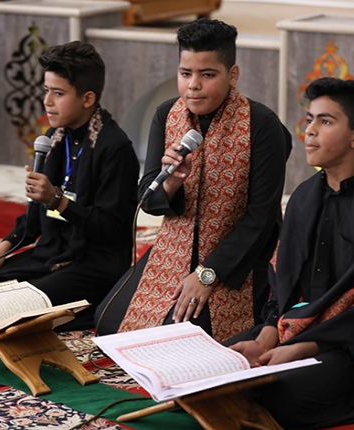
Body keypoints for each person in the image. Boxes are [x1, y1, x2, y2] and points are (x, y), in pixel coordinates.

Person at [227, 77, 354, 429]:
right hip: (296, 326)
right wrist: (267, 336)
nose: (310, 131)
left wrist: (302, 347)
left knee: (282, 397)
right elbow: (284, 284)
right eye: (310, 119)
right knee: (220, 365)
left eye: (325, 121)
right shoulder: (304, 197)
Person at [95, 18, 292, 343]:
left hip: (237, 257)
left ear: (233, 75)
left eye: (207, 75)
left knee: (185, 338)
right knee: (109, 323)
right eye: (185, 73)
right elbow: (148, 198)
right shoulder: (166, 115)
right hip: (175, 247)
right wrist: (171, 183)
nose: (193, 86)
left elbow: (261, 216)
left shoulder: (262, 125)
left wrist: (207, 274)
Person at [0, 41, 140, 331]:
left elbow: (112, 228)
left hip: (94, 264)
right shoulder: (54, 138)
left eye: (58, 93)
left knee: (2, 309)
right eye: (46, 91)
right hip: (51, 255)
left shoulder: (114, 147)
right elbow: (34, 220)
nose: (47, 101)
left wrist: (57, 201)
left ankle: (92, 307)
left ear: (87, 98)